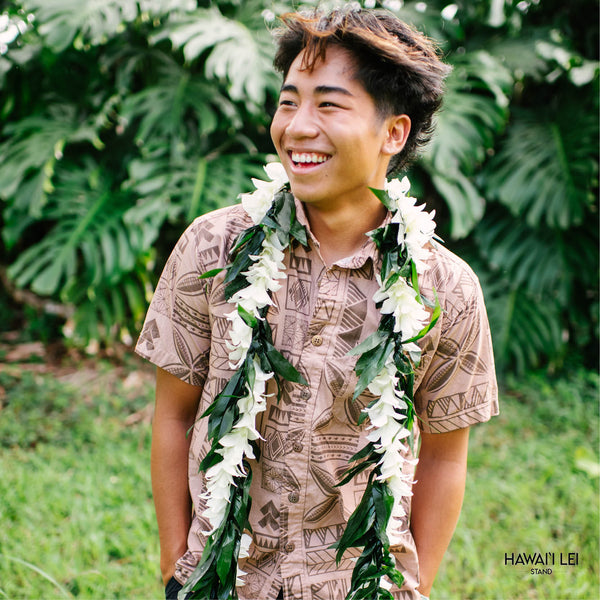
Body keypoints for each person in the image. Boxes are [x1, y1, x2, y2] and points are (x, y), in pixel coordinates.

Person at [135, 5, 498, 600]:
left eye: (328, 104)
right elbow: (173, 415)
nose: (298, 126)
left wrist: (416, 583)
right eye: (288, 100)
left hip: (360, 586)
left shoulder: (445, 288)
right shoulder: (214, 247)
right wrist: (175, 561)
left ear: (393, 132)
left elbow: (444, 455)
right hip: (221, 581)